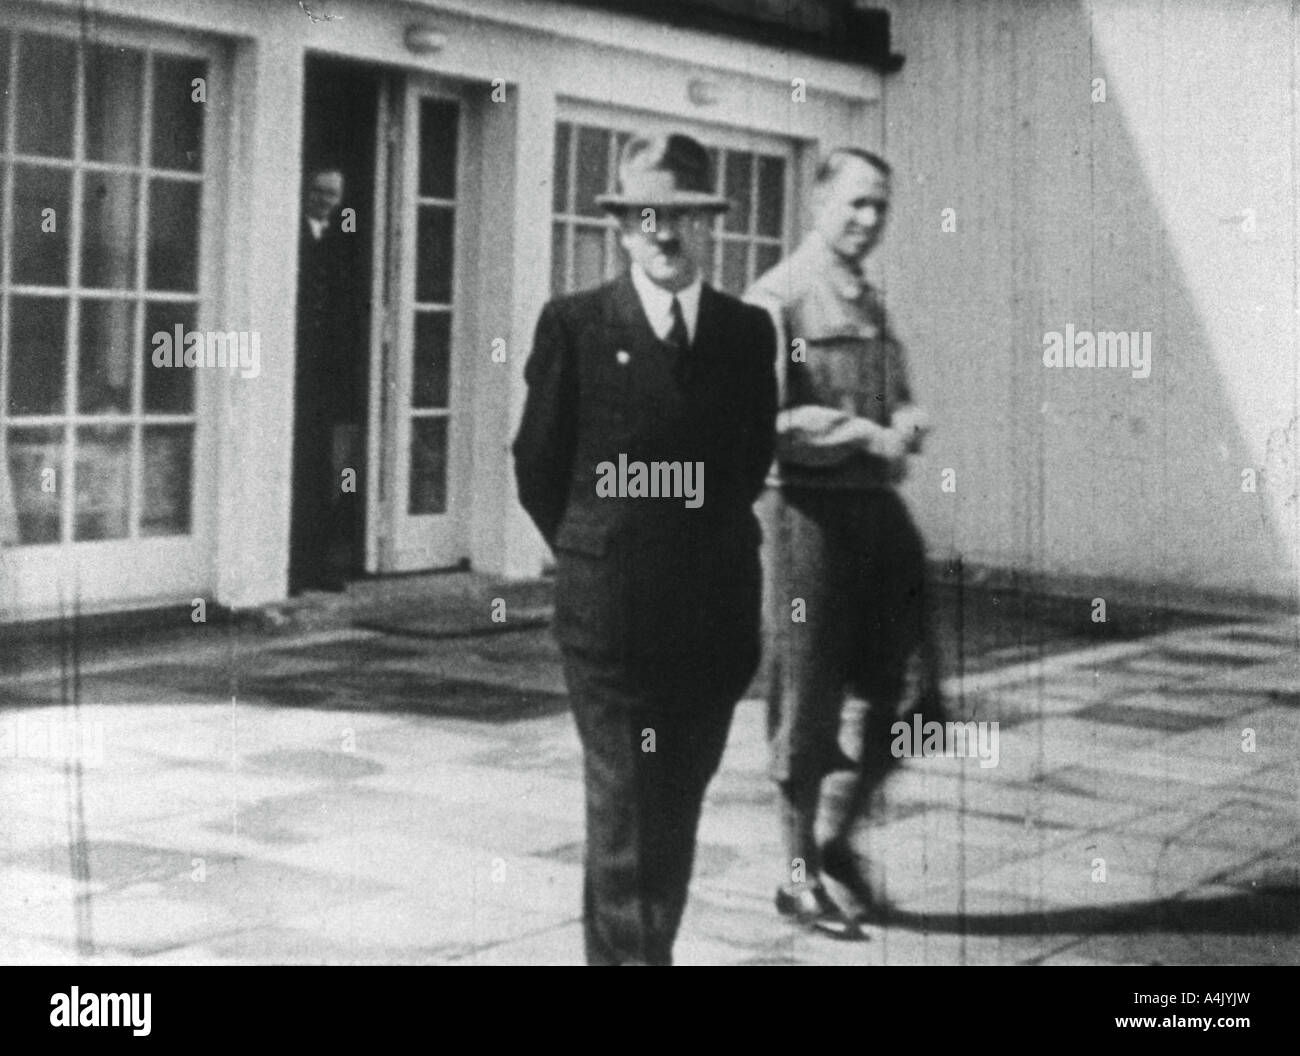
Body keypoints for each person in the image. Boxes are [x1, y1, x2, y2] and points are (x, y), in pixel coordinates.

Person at [513, 133, 777, 965]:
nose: (666, 235)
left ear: (711, 229)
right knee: (627, 814)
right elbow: (539, 466)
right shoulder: (577, 325)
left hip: (713, 621)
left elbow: (746, 464)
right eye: (648, 218)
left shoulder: (745, 333)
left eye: (686, 218)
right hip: (612, 624)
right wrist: (600, 551)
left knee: (671, 812)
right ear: (621, 229)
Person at [745, 148, 936, 939]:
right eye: (856, 203)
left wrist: (908, 422)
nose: (868, 220)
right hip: (809, 522)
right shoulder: (776, 301)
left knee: (919, 698)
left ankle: (839, 844)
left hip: (878, 520)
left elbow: (899, 397)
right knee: (809, 705)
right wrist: (865, 433)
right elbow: (763, 425)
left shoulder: (872, 301)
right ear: (818, 202)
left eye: (880, 207)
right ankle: (798, 880)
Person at [290, 166, 366, 594]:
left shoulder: (342, 241)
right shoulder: (289, 229)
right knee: (296, 467)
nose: (325, 201)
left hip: (325, 377)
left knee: (328, 470)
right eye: (319, 192)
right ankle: (294, 567)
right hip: (293, 372)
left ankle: (319, 563)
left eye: (333, 196)